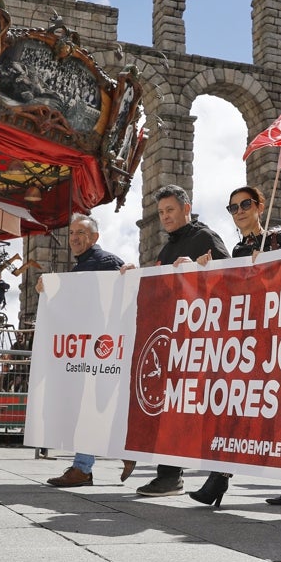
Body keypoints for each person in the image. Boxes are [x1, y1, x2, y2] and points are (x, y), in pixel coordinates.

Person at [189, 186, 281, 507]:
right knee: (234, 406)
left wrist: (272, 261)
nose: (239, 211)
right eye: (233, 207)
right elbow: (231, 293)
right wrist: (209, 270)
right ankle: (218, 478)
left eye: (245, 204)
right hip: (250, 340)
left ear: (259, 206)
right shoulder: (236, 250)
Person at [122, 184, 228, 497]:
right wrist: (132, 274)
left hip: (199, 340)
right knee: (169, 408)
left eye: (170, 210)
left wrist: (198, 269)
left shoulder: (205, 238)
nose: (165, 217)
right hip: (170, 339)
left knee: (198, 410)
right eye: (161, 213)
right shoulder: (167, 247)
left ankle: (212, 476)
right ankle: (169, 476)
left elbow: (229, 279)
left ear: (186, 208)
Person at [44, 213, 125, 488]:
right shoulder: (80, 267)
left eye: (81, 232)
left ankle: (83, 468)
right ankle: (120, 453)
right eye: (72, 233)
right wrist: (48, 290)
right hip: (84, 348)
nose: (75, 238)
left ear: (94, 237)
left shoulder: (106, 262)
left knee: (91, 407)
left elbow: (121, 301)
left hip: (102, 349)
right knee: (91, 407)